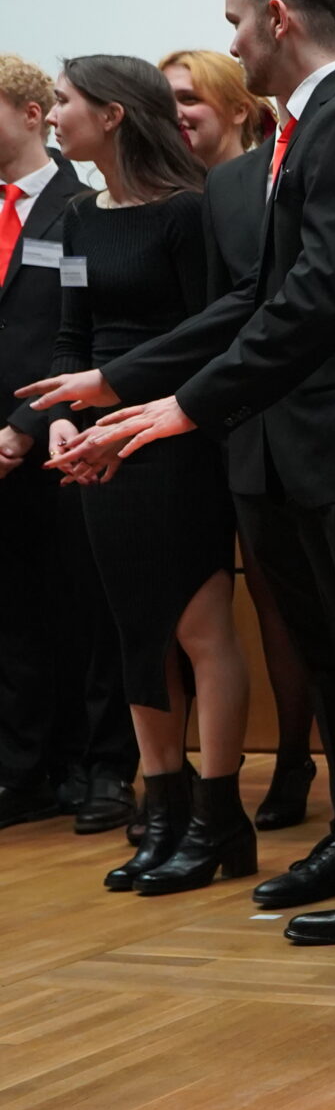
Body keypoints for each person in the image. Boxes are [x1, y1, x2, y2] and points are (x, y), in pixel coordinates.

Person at [40, 0, 335, 979]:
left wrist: (181, 408)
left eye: (237, 18)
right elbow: (255, 297)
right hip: (295, 448)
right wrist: (119, 386)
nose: (232, 38)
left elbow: (322, 295)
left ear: (279, 17)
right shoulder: (307, 126)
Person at [30, 58, 253, 894]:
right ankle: (161, 813)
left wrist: (126, 409)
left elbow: (212, 336)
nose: (54, 116)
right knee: (133, 632)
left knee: (198, 629)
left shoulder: (190, 215)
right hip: (95, 436)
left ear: (115, 116)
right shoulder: (82, 218)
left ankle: (217, 813)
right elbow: (70, 336)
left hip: (174, 434)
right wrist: (59, 414)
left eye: (64, 102)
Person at [161, 47, 314, 832]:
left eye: (189, 97)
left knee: (315, 614)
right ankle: (283, 766)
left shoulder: (302, 157)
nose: (176, 112)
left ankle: (302, 760)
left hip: (319, 417)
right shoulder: (213, 192)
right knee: (265, 604)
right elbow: (225, 313)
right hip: (234, 420)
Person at [0, 54, 136, 837]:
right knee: (12, 617)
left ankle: (101, 767)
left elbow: (73, 330)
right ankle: (27, 769)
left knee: (89, 614)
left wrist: (22, 427)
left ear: (26, 113)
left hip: (63, 436)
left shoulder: (83, 204)